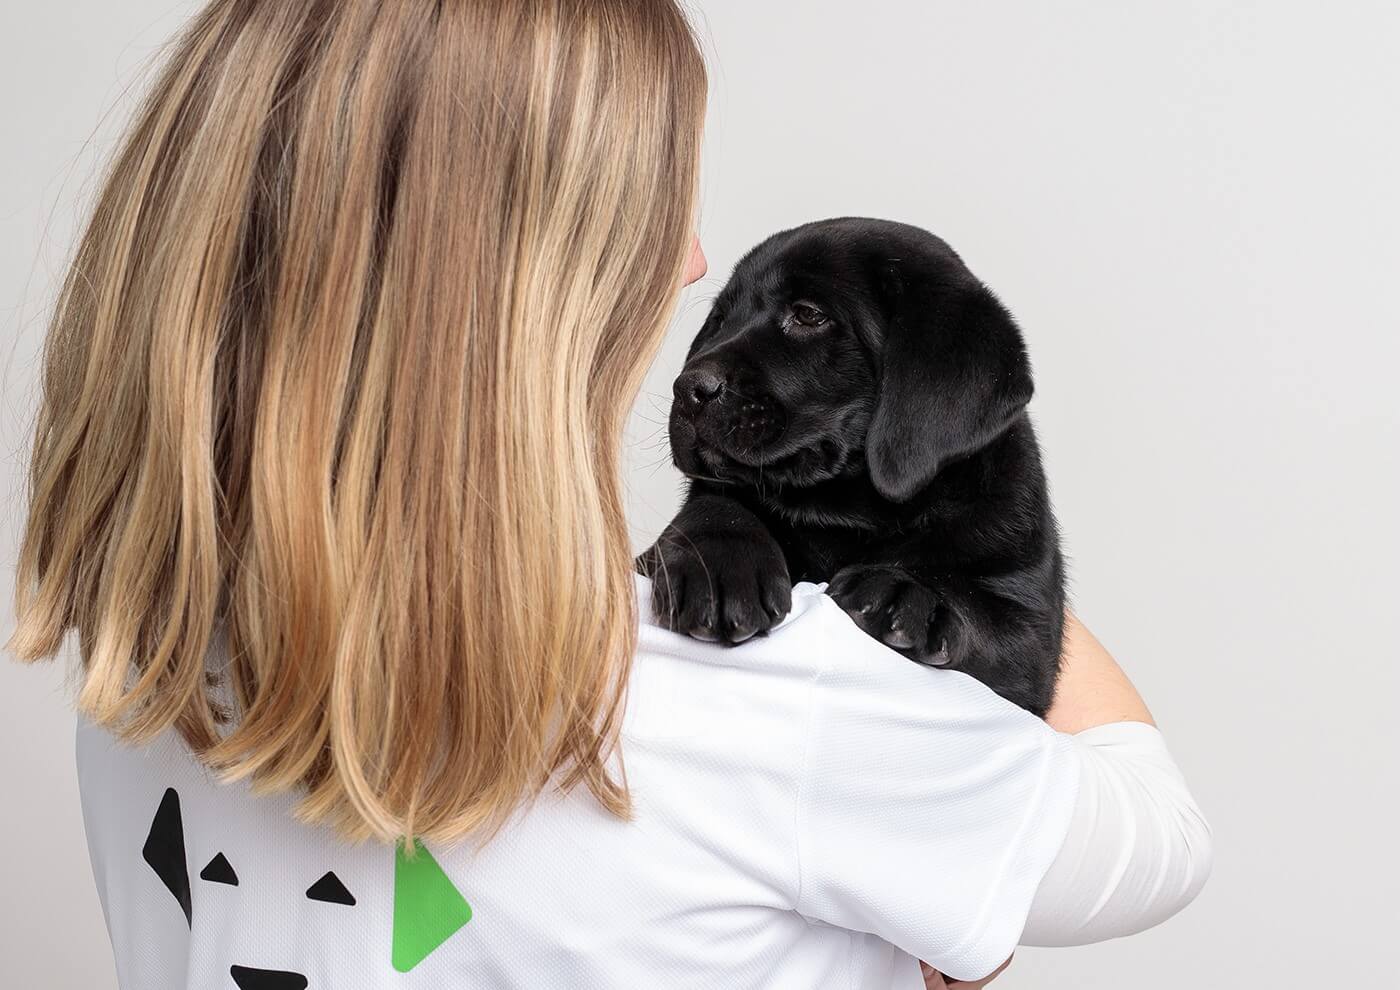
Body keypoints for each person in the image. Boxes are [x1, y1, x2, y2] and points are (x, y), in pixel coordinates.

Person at [7, 1, 1211, 987]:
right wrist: (967, 540)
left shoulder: (145, 666)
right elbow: (1155, 837)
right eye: (651, 208)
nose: (690, 263)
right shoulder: (776, 706)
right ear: (531, 290)